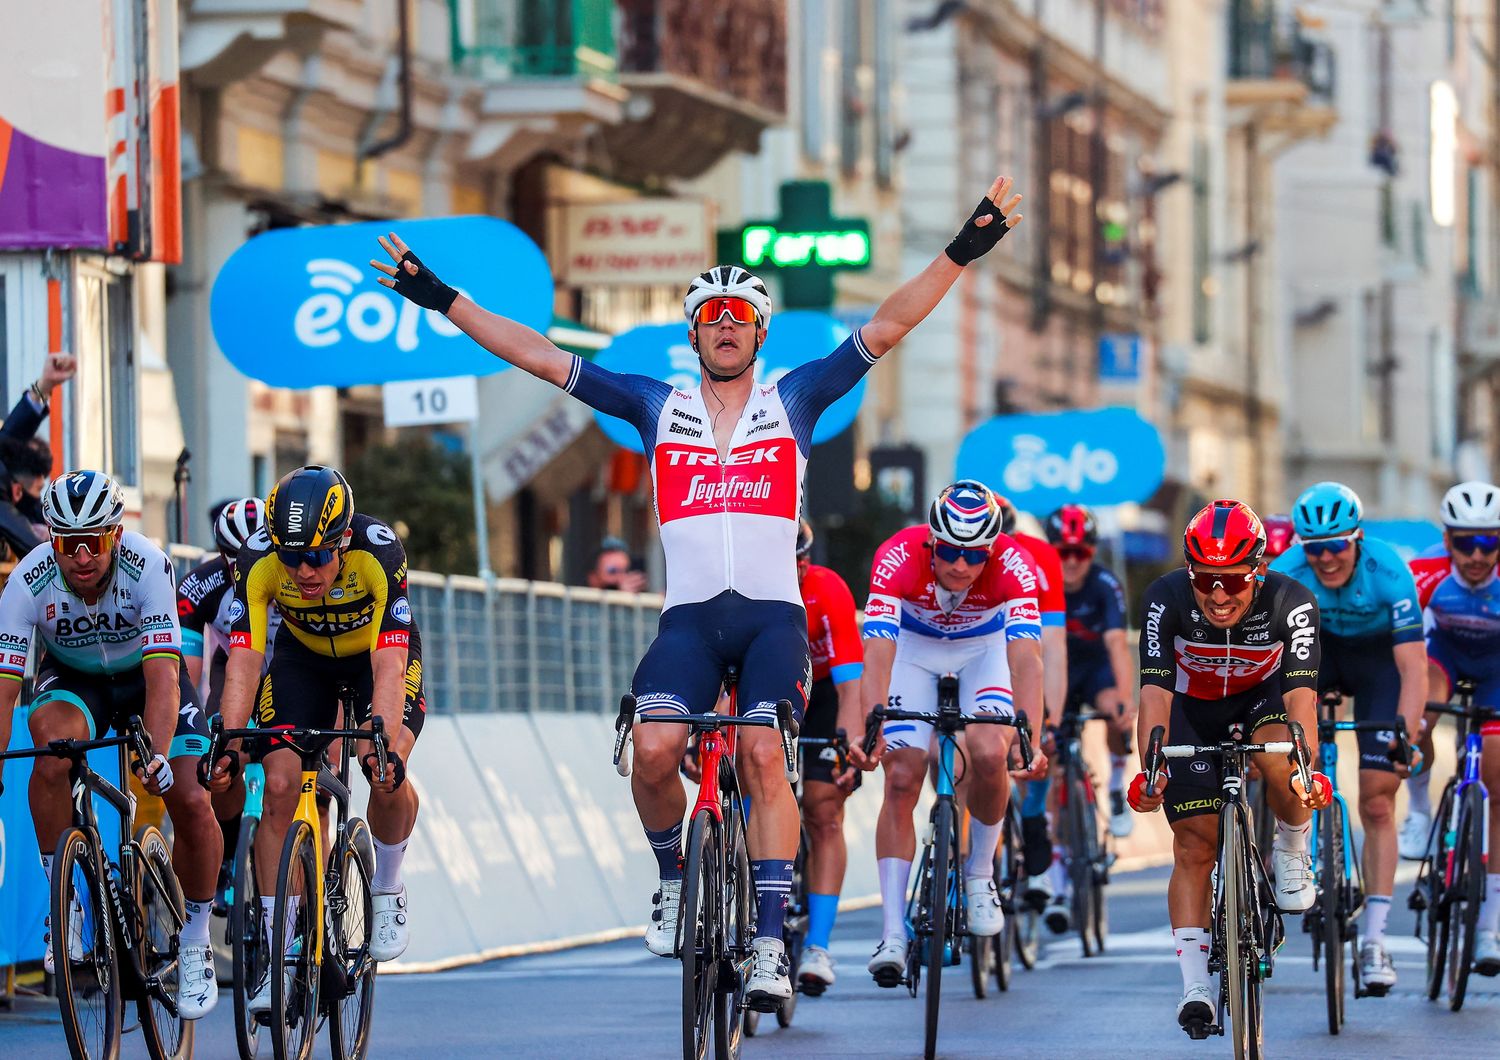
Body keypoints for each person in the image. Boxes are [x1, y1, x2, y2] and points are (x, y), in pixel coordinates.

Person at [373, 173, 1024, 1009]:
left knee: (760, 755)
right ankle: (675, 876)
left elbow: (888, 326)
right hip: (687, 621)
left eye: (739, 319)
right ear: (693, 334)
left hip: (772, 622)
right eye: (711, 319)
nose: (725, 329)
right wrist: (443, 299)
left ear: (757, 331)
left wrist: (961, 251)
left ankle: (767, 948)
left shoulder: (796, 399)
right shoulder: (654, 405)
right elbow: (536, 354)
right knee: (650, 751)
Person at [0, 470, 221, 1018]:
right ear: (52, 541)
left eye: (92, 541)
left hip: (147, 677)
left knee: (191, 800)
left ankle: (195, 941)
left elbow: (165, 681)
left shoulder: (148, 565)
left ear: (115, 535)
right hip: (77, 682)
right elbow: (4, 693)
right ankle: (66, 901)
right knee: (50, 753)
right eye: (68, 543)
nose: (80, 556)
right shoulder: (26, 581)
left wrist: (160, 755)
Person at [203, 466, 425, 1011]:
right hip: (303, 660)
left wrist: (383, 733)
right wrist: (229, 737)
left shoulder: (380, 552)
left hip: (375, 656)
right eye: (291, 557)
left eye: (317, 557)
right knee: (278, 782)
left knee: (382, 761)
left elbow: (391, 664)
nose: (303, 571)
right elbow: (246, 661)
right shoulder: (258, 561)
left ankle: (388, 886)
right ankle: (284, 952)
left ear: (343, 541)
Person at [1129, 499, 1330, 1034]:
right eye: (1206, 579)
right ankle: (1196, 987)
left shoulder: (1293, 602)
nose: (1219, 595)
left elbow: (1302, 703)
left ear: (1258, 572)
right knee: (1195, 844)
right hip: (1193, 713)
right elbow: (1153, 695)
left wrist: (1306, 771)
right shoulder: (1164, 598)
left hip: (1262, 704)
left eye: (1234, 581)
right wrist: (1151, 768)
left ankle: (1291, 846)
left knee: (1286, 756)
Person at [862, 481, 1050, 983]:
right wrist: (871, 720)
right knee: (902, 775)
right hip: (912, 649)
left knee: (991, 751)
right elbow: (877, 651)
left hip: (981, 651)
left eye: (974, 556)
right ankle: (893, 934)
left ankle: (980, 874)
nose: (961, 566)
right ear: (931, 541)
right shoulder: (895, 556)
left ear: (992, 549)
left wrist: (1030, 733)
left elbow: (1027, 660)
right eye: (948, 551)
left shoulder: (1015, 565)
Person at [1270, 481, 1424, 991]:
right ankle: (1294, 856)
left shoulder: (1388, 570)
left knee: (1378, 802)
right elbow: (1271, 664)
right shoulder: (1286, 572)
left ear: (1357, 539)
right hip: (1316, 659)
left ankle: (1377, 942)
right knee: (1290, 762)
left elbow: (1413, 665)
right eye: (1315, 548)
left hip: (1378, 664)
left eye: (1337, 546)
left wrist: (1407, 731)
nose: (1327, 558)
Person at [1406, 481, 1500, 974]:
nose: (1477, 555)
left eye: (1489, 543)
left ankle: (1488, 929)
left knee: (1497, 782)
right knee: (1421, 712)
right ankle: (1420, 810)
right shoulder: (1426, 571)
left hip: (1496, 669)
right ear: (1448, 542)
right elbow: (1402, 638)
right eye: (1466, 542)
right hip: (1442, 654)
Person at [177, 498, 277, 909]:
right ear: (221, 556)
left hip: (290, 662)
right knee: (220, 741)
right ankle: (228, 849)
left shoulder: (293, 576)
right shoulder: (200, 586)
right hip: (234, 660)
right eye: (237, 559)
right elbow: (187, 673)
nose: (249, 565)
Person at [793, 519, 863, 994]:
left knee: (824, 810)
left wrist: (850, 744)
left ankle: (817, 943)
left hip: (821, 697)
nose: (795, 572)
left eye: (801, 562)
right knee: (752, 789)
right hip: (769, 691)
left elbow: (850, 682)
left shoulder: (826, 589)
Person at [1047, 504, 1135, 839]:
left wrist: (1125, 700)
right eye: (1064, 551)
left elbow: (1116, 645)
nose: (1071, 561)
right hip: (1057, 672)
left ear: (1093, 552)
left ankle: (1114, 788)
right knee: (1048, 752)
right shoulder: (1040, 582)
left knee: (1115, 710)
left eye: (1080, 553)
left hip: (1095, 669)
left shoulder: (1104, 583)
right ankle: (1051, 862)